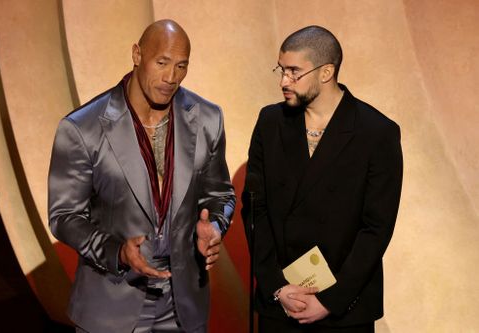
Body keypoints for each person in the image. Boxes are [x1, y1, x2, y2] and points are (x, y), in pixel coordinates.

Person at [48, 19, 235, 333]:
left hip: (183, 303)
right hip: (111, 302)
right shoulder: (82, 127)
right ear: (137, 54)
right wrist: (117, 252)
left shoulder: (207, 118)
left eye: (181, 66)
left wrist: (216, 225)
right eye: (161, 63)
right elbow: (64, 216)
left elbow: (220, 195)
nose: (170, 77)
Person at [242, 25, 403, 332]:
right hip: (281, 305)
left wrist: (331, 299)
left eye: (293, 72)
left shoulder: (377, 133)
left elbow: (376, 228)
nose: (283, 81)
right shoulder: (270, 122)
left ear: (326, 72)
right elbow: (254, 209)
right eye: (281, 70)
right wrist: (277, 286)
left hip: (343, 312)